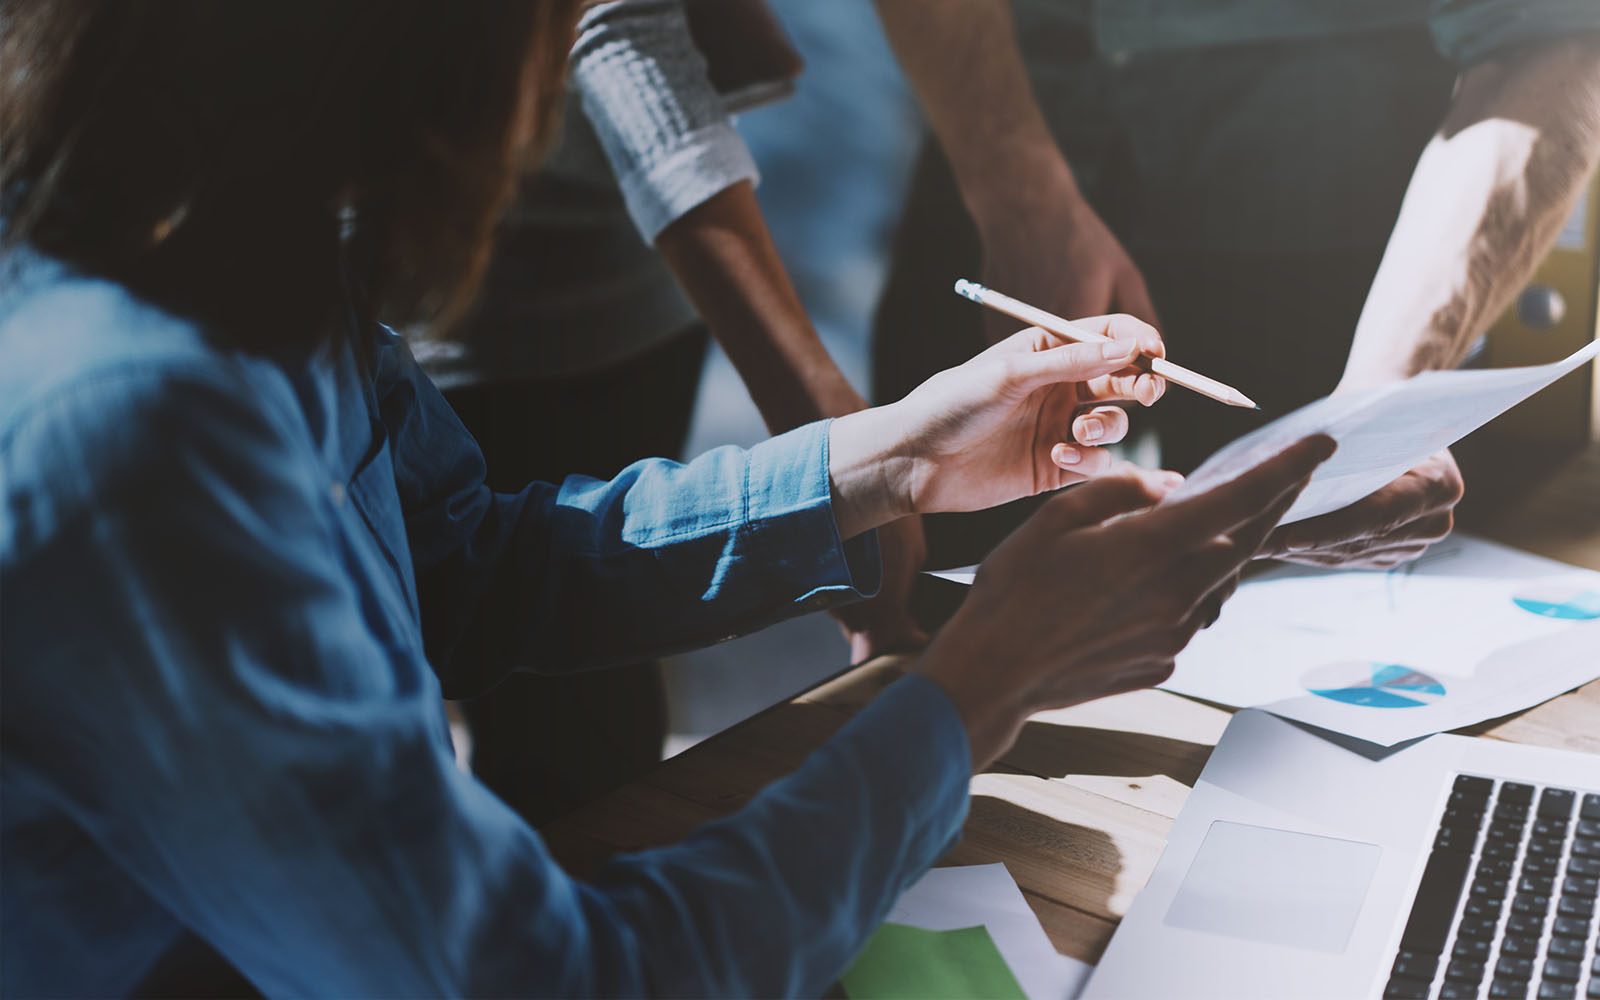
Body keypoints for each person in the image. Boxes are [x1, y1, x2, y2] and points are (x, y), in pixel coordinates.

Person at [0, 1, 1333, 995]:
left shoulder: (245, 233)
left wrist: (890, 459)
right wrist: (984, 686)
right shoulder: (128, 431)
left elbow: (463, 568)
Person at [871, 0, 1600, 581]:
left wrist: (1380, 401)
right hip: (985, 158)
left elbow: (1552, 38)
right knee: (923, 589)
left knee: (1285, 589)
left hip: (1320, 223)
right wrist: (1017, 196)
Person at [432, 0, 929, 825]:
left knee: (594, 701)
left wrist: (842, 468)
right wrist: (836, 435)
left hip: (639, 282)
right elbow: (617, 25)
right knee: (550, 723)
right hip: (457, 319)